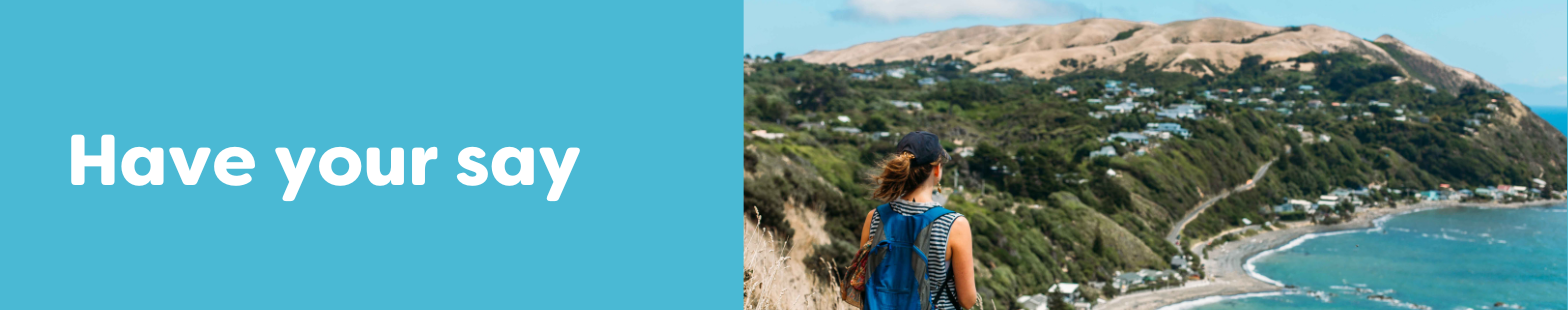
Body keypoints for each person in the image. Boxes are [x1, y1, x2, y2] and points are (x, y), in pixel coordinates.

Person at [858, 131, 977, 310]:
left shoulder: (875, 217)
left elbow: (862, 282)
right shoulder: (954, 224)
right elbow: (968, 300)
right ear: (937, 170)